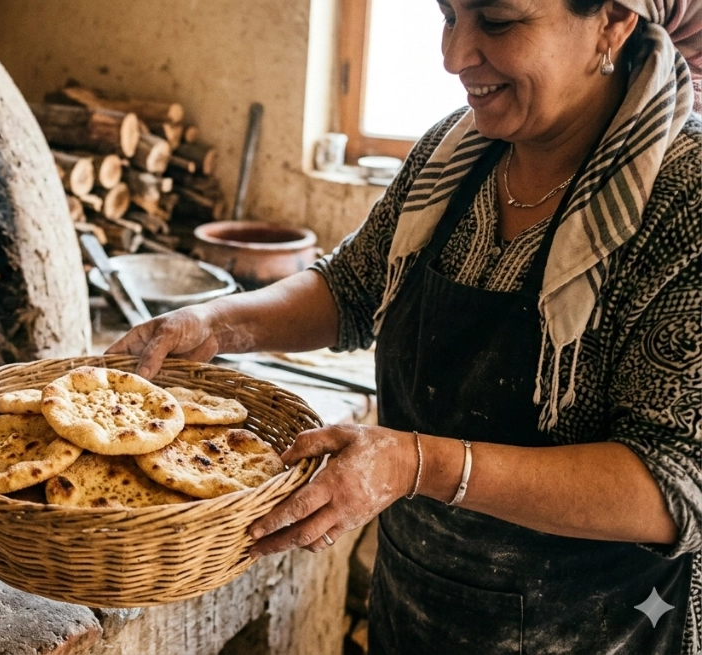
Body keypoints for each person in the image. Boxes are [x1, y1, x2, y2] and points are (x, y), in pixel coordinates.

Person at [108, 1, 702, 652]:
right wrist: (217, 323)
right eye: (448, 16)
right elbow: (352, 286)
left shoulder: (682, 199)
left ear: (611, 22)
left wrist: (417, 463)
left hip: (595, 630)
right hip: (418, 603)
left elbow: (674, 480)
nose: (452, 57)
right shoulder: (456, 155)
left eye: (497, 22)